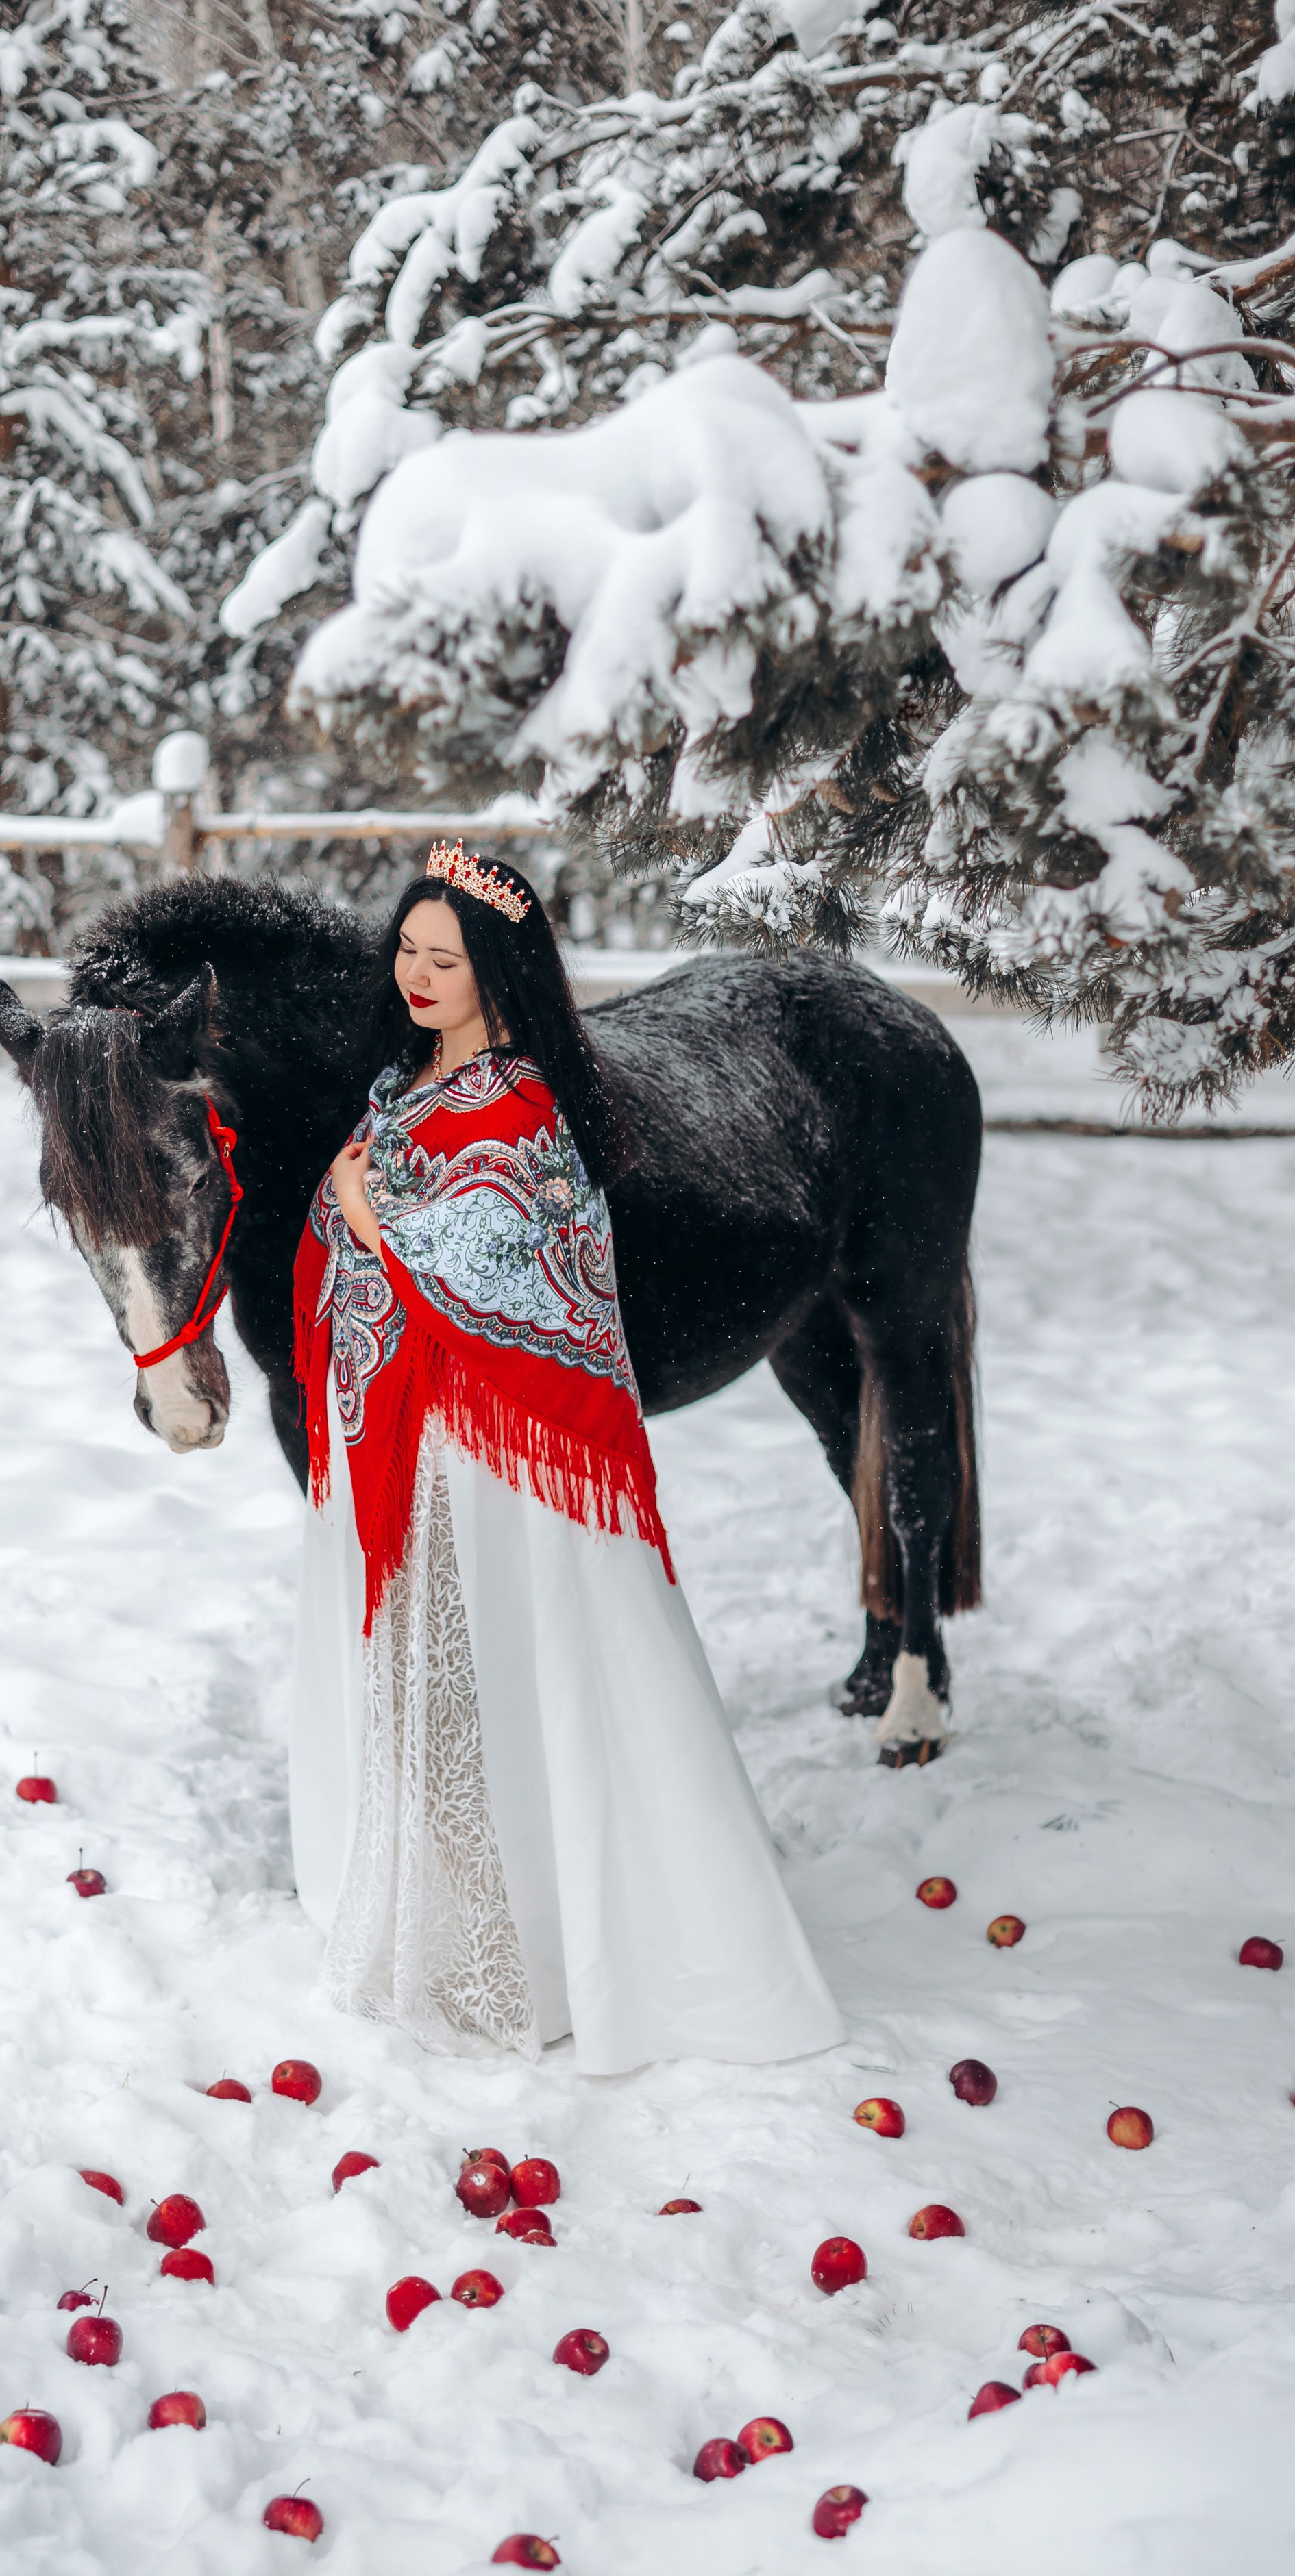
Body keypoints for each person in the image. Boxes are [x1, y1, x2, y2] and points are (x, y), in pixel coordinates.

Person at [288, 840, 841, 2073]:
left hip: (487, 1452)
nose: (418, 975)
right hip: (407, 1431)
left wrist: (367, 1209)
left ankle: (544, 1942)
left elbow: (500, 1264)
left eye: (447, 960)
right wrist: (352, 1206)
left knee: (499, 1674)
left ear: (501, 974)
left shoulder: (524, 1102)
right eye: (408, 950)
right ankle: (448, 1919)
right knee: (433, 1685)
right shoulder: (407, 1081)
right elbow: (365, 1222)